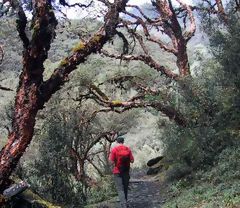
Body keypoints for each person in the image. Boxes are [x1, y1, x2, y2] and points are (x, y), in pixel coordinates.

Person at [109, 136, 134, 208]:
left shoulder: (114, 150)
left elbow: (111, 162)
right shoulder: (128, 149)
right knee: (125, 187)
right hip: (126, 171)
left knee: (120, 189)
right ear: (123, 141)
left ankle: (124, 205)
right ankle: (125, 202)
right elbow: (132, 161)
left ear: (117, 142)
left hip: (117, 171)